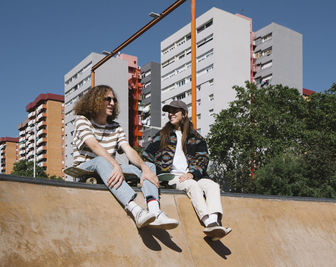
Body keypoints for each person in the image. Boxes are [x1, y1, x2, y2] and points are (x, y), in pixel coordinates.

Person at [73, 85, 178, 230]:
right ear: (95, 100)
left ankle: (155, 211)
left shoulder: (116, 127)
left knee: (149, 166)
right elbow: (94, 146)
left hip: (110, 168)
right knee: (101, 160)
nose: (112, 103)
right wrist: (115, 165)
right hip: (85, 167)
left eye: (114, 100)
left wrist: (144, 168)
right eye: (107, 99)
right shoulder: (82, 120)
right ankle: (135, 210)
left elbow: (128, 150)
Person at [143, 100, 231, 240]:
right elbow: (146, 155)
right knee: (192, 185)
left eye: (174, 111)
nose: (170, 114)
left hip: (193, 175)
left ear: (184, 114)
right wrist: (153, 173)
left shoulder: (196, 138)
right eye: (169, 112)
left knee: (213, 186)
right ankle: (207, 221)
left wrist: (192, 173)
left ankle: (215, 222)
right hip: (171, 177)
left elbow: (203, 159)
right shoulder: (162, 135)